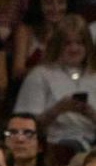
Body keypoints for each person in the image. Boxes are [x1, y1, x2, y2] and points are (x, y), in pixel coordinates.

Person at [14, 15, 96, 151]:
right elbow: (23, 126)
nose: (74, 49)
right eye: (68, 43)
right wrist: (58, 110)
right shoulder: (40, 74)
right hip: (54, 145)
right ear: (58, 45)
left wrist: (91, 114)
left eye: (80, 43)